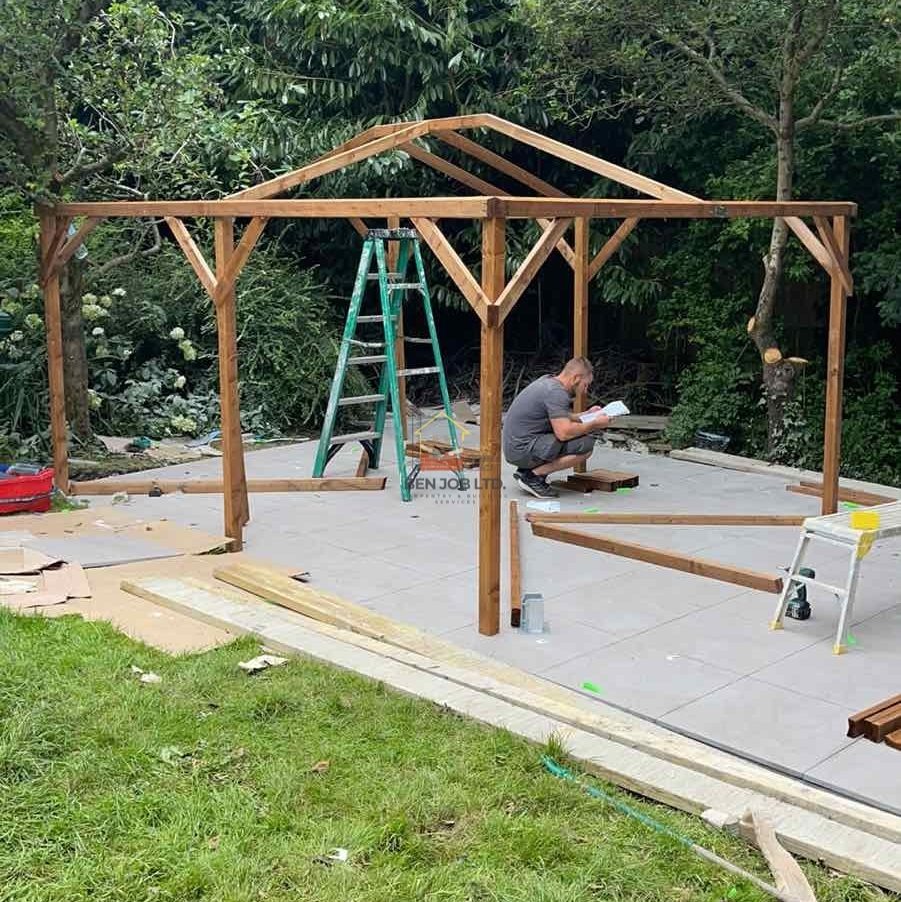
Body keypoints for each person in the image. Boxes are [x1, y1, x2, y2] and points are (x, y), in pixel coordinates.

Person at [502, 357, 609, 498]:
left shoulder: (548, 382)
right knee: (585, 444)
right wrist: (595, 424)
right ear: (576, 378)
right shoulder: (556, 393)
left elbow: (560, 416)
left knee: (573, 436)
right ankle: (532, 477)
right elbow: (564, 433)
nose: (585, 390)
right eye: (585, 385)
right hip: (521, 450)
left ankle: (526, 470)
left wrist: (587, 415)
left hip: (516, 446)